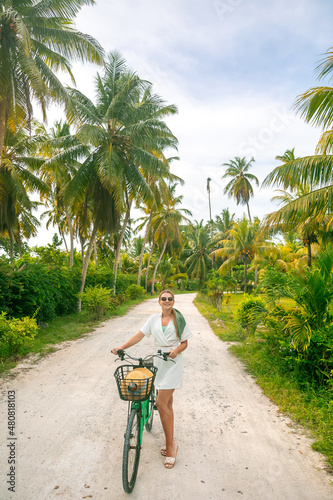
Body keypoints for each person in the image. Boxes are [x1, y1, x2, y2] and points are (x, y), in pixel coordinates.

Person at [112, 289, 193, 469]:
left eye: (169, 299)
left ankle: (170, 447)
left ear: (173, 301)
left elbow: (185, 342)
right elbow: (139, 335)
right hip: (158, 361)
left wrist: (176, 351)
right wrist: (121, 347)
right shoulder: (153, 320)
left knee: (162, 403)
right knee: (168, 405)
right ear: (159, 301)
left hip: (172, 362)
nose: (166, 301)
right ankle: (170, 441)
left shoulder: (178, 319)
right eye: (163, 298)